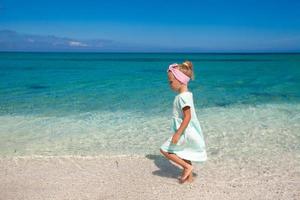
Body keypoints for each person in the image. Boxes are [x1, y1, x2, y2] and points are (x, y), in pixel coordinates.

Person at [160, 61, 207, 184]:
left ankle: (187, 167)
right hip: (186, 130)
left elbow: (187, 116)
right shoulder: (186, 95)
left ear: (180, 80)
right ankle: (189, 179)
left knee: (165, 150)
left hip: (184, 131)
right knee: (186, 153)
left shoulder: (183, 97)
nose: (169, 84)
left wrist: (177, 134)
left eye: (171, 81)